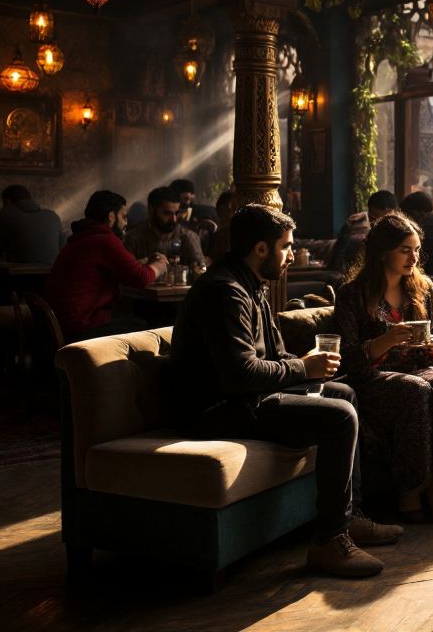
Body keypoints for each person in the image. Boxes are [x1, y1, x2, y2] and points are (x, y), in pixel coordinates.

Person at [170, 204, 402, 578]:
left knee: (343, 394)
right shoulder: (224, 292)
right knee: (339, 417)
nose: (293, 254)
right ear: (261, 249)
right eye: (286, 246)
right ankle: (328, 541)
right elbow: (240, 374)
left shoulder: (253, 286)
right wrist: (302, 369)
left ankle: (349, 516)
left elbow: (274, 357)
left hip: (245, 398)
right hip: (215, 409)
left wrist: (307, 363)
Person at [335, 213, 433, 526]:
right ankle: (411, 487)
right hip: (373, 379)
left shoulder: (423, 289)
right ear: (383, 251)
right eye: (405, 250)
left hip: (419, 366)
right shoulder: (352, 295)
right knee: (416, 389)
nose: (414, 257)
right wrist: (386, 340)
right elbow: (349, 361)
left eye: (417, 249)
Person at [45, 190, 168, 341]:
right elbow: (141, 278)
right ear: (111, 217)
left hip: (58, 323)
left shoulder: (82, 237)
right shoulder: (104, 240)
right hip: (80, 326)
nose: (126, 223)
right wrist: (160, 264)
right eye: (123, 217)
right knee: (149, 326)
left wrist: (142, 264)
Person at [123, 186, 207, 268]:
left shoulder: (188, 237)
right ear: (151, 210)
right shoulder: (133, 238)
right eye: (167, 213)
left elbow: (201, 272)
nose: (173, 219)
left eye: (176, 213)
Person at [0, 184, 63, 264]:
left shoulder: (6, 213)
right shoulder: (53, 216)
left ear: (7, 201)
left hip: (18, 275)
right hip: (51, 274)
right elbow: (61, 248)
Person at [329, 190, 398, 274]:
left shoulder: (398, 231)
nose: (372, 223)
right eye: (370, 217)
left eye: (376, 218)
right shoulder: (355, 222)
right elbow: (338, 252)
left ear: (390, 212)